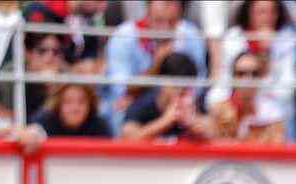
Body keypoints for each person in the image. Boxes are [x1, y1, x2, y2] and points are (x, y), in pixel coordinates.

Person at [103, 0, 207, 129]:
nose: (165, 28)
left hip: (178, 101)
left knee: (202, 117)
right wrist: (157, 64)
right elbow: (121, 88)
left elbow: (198, 83)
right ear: (148, 12)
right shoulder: (124, 35)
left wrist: (179, 101)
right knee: (119, 112)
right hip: (135, 101)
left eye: (172, 22)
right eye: (159, 20)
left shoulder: (190, 34)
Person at [208, 1, 296, 139]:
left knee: (277, 113)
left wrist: (267, 52)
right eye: (261, 12)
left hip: (275, 106)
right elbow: (223, 82)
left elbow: (287, 89)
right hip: (238, 103)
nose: (267, 17)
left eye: (272, 12)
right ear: (248, 13)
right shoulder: (233, 37)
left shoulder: (286, 38)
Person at [120, 50, 212, 141]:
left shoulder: (194, 106)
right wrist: (166, 121)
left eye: (187, 88)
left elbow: (214, 134)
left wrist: (196, 126)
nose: (182, 93)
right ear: (162, 84)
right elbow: (128, 138)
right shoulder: (142, 105)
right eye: (176, 87)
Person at [210, 50, 286, 142]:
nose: (248, 80)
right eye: (241, 74)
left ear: (261, 77)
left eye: (255, 74)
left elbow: (278, 144)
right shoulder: (219, 110)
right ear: (233, 77)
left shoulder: (272, 113)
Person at [33, 81, 113, 139]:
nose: (75, 108)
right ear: (58, 105)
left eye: (81, 102)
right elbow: (33, 131)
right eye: (68, 101)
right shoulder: (46, 120)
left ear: (90, 105)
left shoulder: (99, 125)